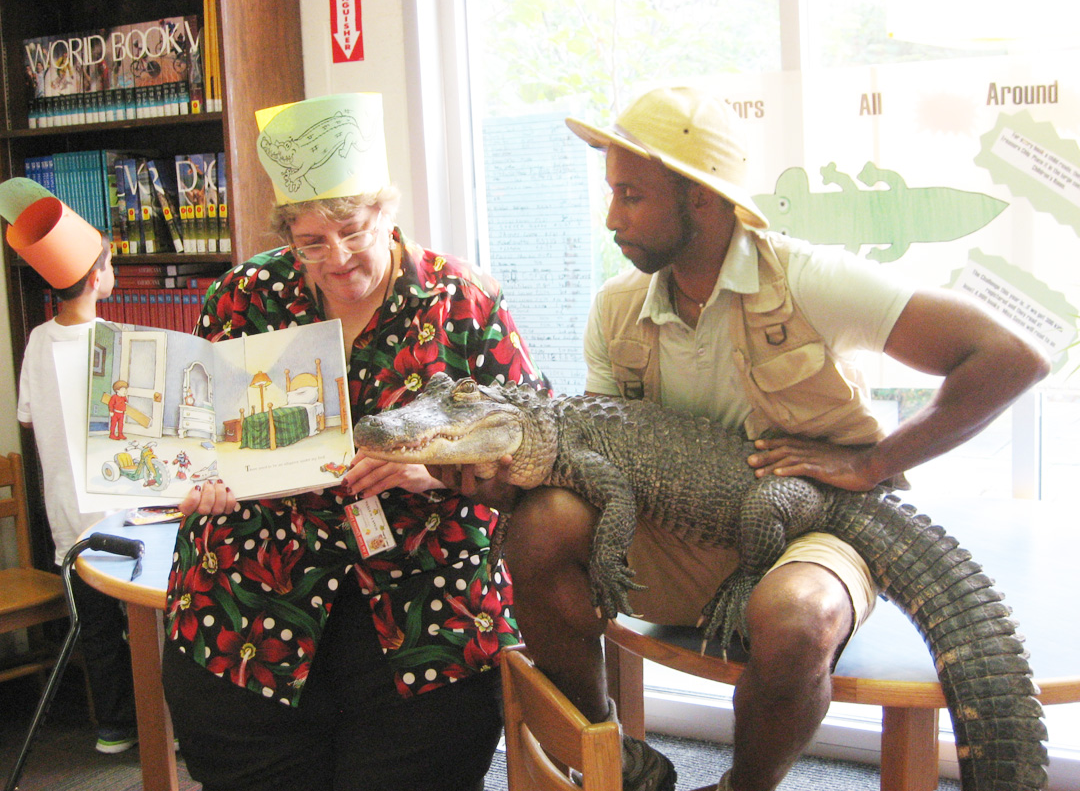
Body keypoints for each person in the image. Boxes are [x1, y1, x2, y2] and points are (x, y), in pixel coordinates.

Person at [441, 86, 1050, 791]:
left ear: (700, 198)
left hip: (812, 523)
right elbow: (603, 455)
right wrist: (506, 483)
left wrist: (874, 462)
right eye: (612, 193)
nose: (611, 218)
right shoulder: (616, 306)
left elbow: (1010, 358)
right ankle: (614, 752)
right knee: (540, 525)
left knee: (796, 619)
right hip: (683, 519)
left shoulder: (809, 279)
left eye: (631, 195)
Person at [160, 92, 550, 791]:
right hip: (249, 609)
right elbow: (196, 433)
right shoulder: (244, 298)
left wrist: (434, 470)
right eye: (311, 241)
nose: (336, 258)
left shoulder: (463, 302)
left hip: (427, 611)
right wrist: (201, 479)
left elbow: (540, 448)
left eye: (352, 230)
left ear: (386, 212)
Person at [6, 181, 139, 754]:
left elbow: (27, 416)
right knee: (144, 625)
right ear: (95, 277)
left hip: (67, 516)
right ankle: (160, 723)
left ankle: (113, 728)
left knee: (97, 628)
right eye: (109, 264)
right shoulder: (119, 340)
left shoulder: (37, 341)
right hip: (124, 512)